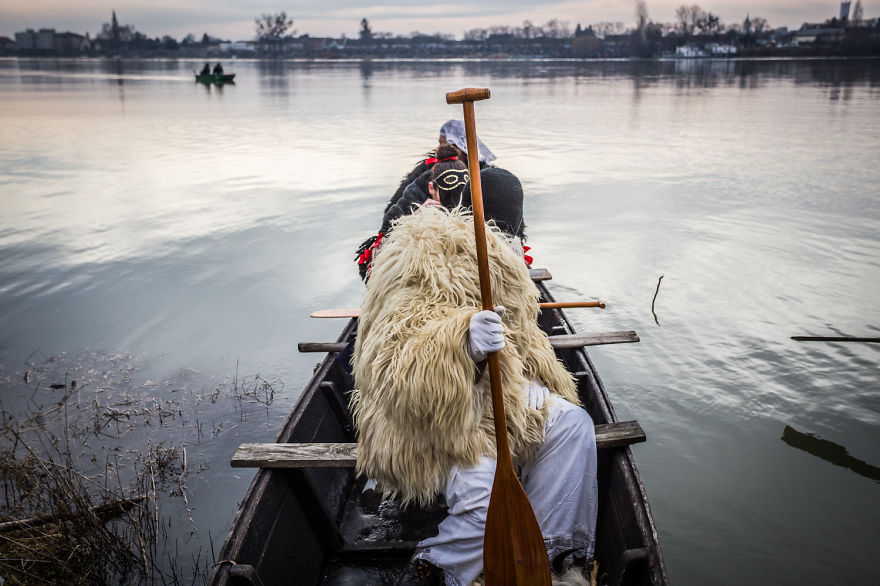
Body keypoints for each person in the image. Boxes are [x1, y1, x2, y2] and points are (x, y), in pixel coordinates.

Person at [350, 172, 597, 586]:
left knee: (573, 426)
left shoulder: (505, 263)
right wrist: (461, 340)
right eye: (502, 226)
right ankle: (438, 569)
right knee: (484, 497)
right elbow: (389, 360)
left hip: (499, 391)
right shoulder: (422, 255)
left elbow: (525, 345)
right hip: (427, 409)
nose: (511, 237)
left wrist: (538, 386)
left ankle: (550, 554)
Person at [354, 120, 496, 281]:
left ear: (461, 147)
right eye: (439, 144)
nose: (438, 149)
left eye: (445, 144)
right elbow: (393, 218)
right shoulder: (427, 174)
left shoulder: (486, 179)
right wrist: (418, 216)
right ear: (431, 187)